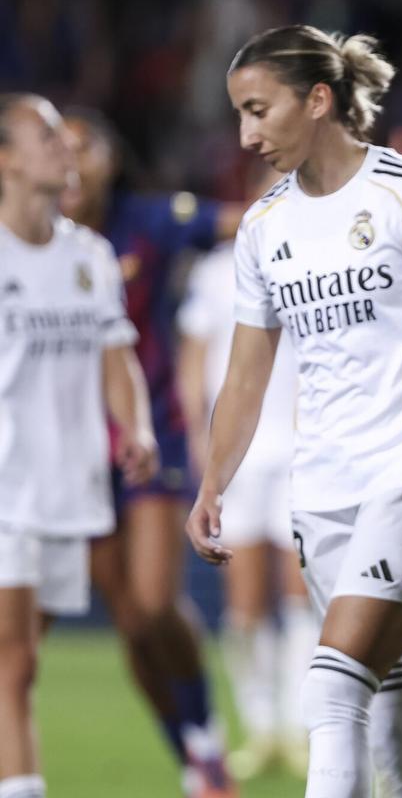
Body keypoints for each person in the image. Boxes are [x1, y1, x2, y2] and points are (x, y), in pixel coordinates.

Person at [184, 25, 402, 798]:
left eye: (259, 110)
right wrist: (214, 485)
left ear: (318, 98)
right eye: (239, 114)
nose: (247, 133)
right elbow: (245, 376)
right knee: (388, 706)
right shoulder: (265, 229)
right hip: (322, 488)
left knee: (331, 687)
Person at [59, 108, 239, 797]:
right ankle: (196, 758)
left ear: (110, 159)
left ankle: (208, 738)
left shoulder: (146, 220)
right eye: (60, 149)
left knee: (158, 603)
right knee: (130, 622)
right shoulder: (28, 240)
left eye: (86, 148)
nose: (73, 162)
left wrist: (340, 195)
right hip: (71, 449)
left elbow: (239, 222)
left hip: (151, 431)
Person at [0, 93, 157, 798]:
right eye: (47, 135)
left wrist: (139, 427)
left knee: (24, 659)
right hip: (5, 486)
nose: (67, 145)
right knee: (12, 664)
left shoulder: (89, 255)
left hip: (70, 488)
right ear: (5, 159)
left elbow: (115, 357)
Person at [177, 224, 317, 779]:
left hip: (303, 449)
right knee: (244, 600)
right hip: (241, 455)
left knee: (301, 595)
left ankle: (297, 726)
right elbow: (196, 356)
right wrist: (196, 439)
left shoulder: (317, 256)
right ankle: (261, 727)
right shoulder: (216, 269)